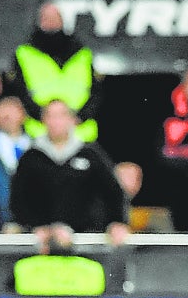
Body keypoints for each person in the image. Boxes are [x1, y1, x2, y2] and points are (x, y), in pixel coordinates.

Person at [10, 100, 129, 244]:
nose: (56, 121)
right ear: (43, 120)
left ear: (72, 119)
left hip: (86, 241)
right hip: (42, 242)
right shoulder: (30, 158)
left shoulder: (90, 154)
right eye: (51, 115)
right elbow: (18, 200)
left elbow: (114, 193)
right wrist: (34, 226)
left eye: (61, 115)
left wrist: (117, 223)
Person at [12, 2, 100, 142]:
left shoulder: (83, 53)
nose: (50, 21)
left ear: (64, 20)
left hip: (81, 134)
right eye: (46, 17)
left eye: (55, 16)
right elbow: (19, 92)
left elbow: (96, 92)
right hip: (39, 134)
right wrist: (46, 118)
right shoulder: (24, 53)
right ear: (38, 21)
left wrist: (79, 117)